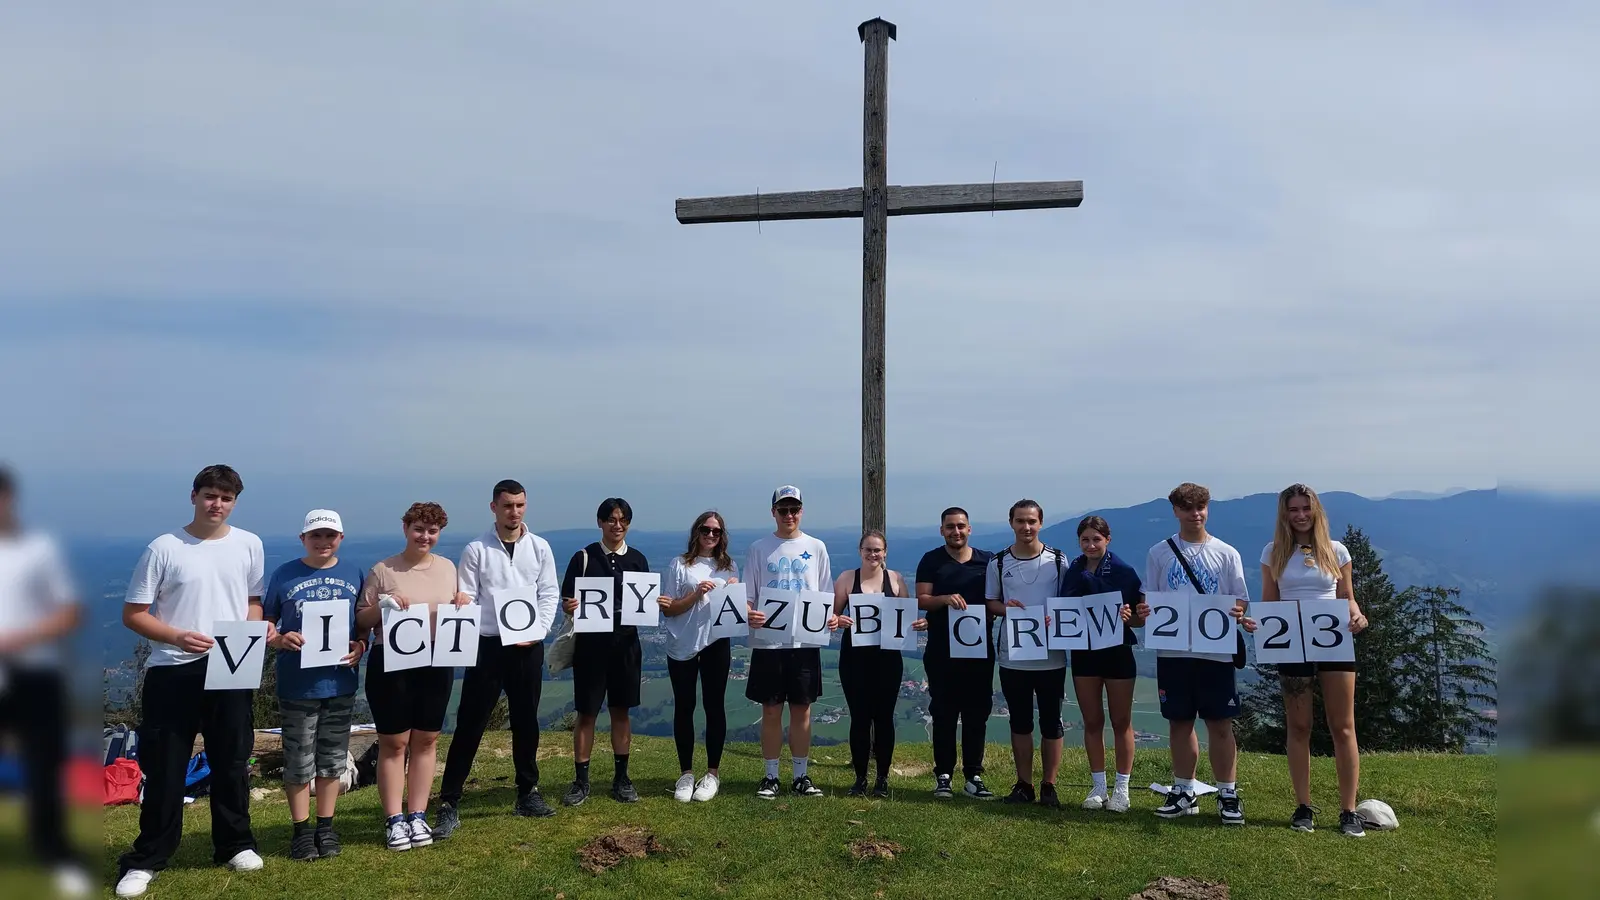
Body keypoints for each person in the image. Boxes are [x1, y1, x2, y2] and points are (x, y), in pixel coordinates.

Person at [114, 465, 268, 898]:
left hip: (232, 664)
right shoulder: (165, 547)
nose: (217, 504)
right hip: (172, 668)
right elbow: (134, 614)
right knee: (165, 767)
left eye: (226, 497)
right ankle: (148, 857)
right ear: (194, 496)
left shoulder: (249, 544)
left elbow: (252, 600)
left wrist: (250, 632)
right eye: (209, 495)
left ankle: (235, 843)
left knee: (232, 760)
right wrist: (177, 636)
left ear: (235, 501)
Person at [435, 479, 562, 838]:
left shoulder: (540, 547)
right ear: (494, 507)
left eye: (520, 505)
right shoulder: (476, 549)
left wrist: (537, 631)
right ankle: (449, 801)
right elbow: (469, 596)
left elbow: (548, 592)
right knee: (471, 723)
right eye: (507, 505)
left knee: (526, 721)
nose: (514, 512)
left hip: (527, 646)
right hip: (488, 645)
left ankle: (527, 792)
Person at [354, 501, 470, 852]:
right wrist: (382, 605)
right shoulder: (383, 570)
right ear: (405, 528)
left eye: (432, 530)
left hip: (437, 660)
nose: (425, 536)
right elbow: (361, 621)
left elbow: (454, 604)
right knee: (394, 742)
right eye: (419, 529)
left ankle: (417, 814)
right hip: (391, 662)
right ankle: (394, 819)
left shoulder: (449, 568)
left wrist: (463, 599)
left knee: (427, 740)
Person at [1256, 483, 1369, 837]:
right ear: (1284, 514)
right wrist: (1255, 622)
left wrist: (1358, 615)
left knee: (1343, 726)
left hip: (1332, 638)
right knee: (1299, 726)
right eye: (1293, 509)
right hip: (1291, 641)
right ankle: (1303, 806)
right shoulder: (1272, 552)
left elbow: (1347, 595)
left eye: (1306, 508)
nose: (1301, 515)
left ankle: (1348, 810)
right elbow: (1270, 602)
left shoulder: (1336, 551)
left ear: (1316, 511)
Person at [0, 466, 91, 897]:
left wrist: (18, 638)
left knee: (43, 769)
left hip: (34, 673)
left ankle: (54, 853)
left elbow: (69, 611)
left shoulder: (37, 548)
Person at [261, 509, 367, 862]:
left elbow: (361, 623)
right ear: (303, 538)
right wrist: (278, 640)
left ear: (340, 538)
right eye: (315, 536)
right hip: (297, 684)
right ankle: (301, 832)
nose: (323, 542)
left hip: (340, 683)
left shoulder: (354, 573)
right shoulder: (284, 574)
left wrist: (361, 645)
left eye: (330, 536)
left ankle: (326, 827)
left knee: (333, 760)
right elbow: (266, 623)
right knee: (298, 760)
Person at [1144, 482, 1251, 825]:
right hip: (1173, 651)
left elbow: (1240, 598)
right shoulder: (1159, 552)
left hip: (1214, 652)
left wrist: (1235, 611)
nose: (1196, 514)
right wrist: (1146, 612)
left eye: (1201, 507)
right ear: (1175, 511)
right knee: (1179, 721)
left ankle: (1228, 793)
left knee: (1220, 723)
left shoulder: (1226, 552)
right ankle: (1183, 790)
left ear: (1208, 509)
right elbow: (1151, 597)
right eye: (1188, 508)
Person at [745, 485, 835, 799]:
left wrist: (830, 618)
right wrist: (750, 614)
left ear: (802, 510)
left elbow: (825, 595)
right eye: (783, 509)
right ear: (773, 512)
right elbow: (748, 597)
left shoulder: (817, 547)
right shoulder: (759, 548)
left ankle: (801, 776)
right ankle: (770, 776)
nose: (789, 515)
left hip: (804, 643)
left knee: (802, 711)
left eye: (794, 509)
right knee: (771, 710)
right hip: (769, 642)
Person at [559, 498, 649, 806]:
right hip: (590, 650)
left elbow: (643, 605)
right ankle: (581, 781)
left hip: (626, 647)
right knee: (587, 714)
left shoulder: (638, 559)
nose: (617, 525)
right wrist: (569, 606)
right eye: (611, 519)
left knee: (621, 712)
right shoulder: (583, 558)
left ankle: (621, 779)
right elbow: (566, 600)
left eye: (623, 519)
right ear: (600, 522)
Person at [985, 499, 1070, 808]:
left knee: (1052, 722)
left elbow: (1069, 603)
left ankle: (1049, 785)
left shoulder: (1059, 561)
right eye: (1020, 521)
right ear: (1012, 523)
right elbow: (990, 603)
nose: (1026, 527)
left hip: (1052, 657)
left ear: (1041, 523)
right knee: (1019, 721)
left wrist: (1056, 616)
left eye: (1031, 521)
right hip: (1013, 656)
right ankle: (1024, 784)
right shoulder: (998, 563)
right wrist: (1005, 609)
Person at [1058, 515, 1144, 813]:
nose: (1091, 545)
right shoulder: (1073, 571)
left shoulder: (1123, 571)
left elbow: (1140, 619)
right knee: (1092, 721)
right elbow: (1065, 610)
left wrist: (1128, 617)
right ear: (1079, 542)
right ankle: (1098, 787)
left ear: (1108, 539)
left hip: (1118, 652)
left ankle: (1122, 789)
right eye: (1085, 540)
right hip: (1084, 654)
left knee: (1122, 722)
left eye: (1097, 539)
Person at [832, 530, 924, 797]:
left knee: (884, 718)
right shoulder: (848, 578)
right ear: (860, 551)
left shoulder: (895, 579)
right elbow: (833, 614)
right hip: (855, 658)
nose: (873, 554)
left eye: (878, 550)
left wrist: (919, 623)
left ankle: (882, 779)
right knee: (859, 718)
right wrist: (839, 621)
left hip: (887, 659)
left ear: (885, 552)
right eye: (868, 550)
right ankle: (860, 778)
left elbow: (906, 615)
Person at [915, 507, 998, 800]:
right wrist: (944, 599)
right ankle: (944, 776)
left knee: (978, 712)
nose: (956, 531)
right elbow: (922, 598)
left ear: (969, 529)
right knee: (943, 712)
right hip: (941, 649)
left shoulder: (987, 561)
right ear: (942, 530)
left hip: (978, 649)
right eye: (950, 527)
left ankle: (974, 775)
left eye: (961, 526)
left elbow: (995, 599)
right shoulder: (931, 560)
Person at [660, 511, 739, 803]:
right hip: (682, 642)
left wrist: (732, 594)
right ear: (696, 532)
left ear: (722, 536)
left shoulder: (728, 566)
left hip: (716, 641)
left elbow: (731, 609)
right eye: (705, 530)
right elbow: (668, 609)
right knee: (684, 706)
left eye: (716, 531)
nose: (710, 535)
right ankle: (686, 772)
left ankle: (713, 773)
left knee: (714, 705)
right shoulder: (679, 565)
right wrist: (695, 594)